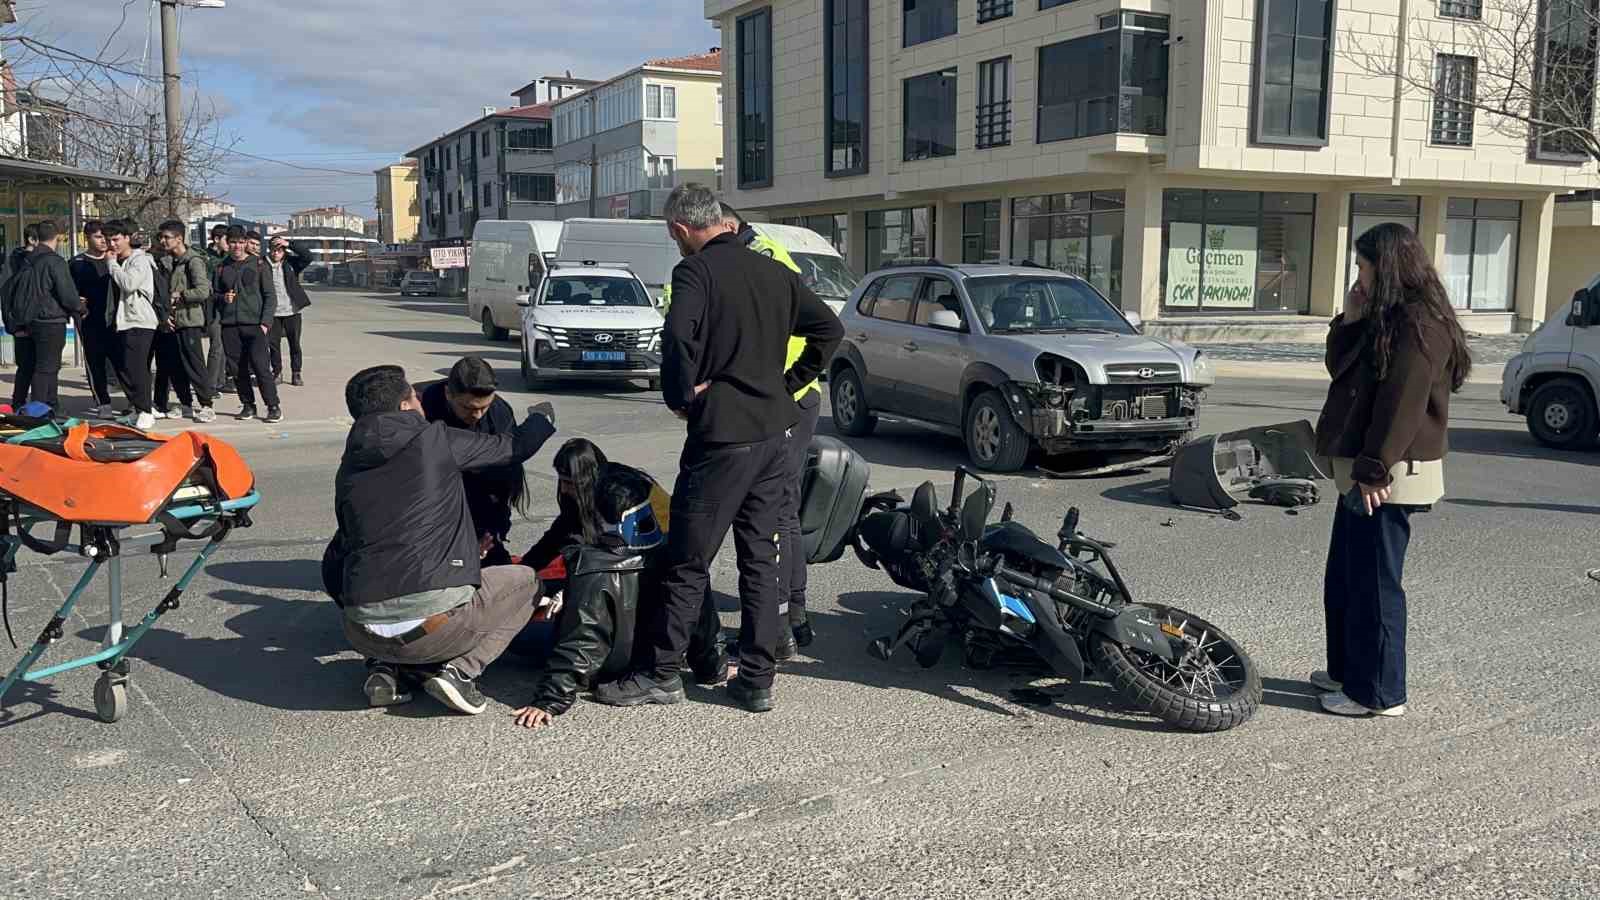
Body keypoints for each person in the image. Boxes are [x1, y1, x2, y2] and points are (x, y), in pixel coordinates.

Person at [594, 183, 842, 714]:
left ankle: (661, 673)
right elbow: (830, 328)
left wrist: (682, 397)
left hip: (723, 437)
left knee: (688, 559)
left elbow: (678, 339)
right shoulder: (775, 270)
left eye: (674, 235)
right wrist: (789, 383)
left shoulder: (694, 272)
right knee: (760, 558)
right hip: (775, 433)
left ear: (681, 229)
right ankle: (757, 679)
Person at [324, 364, 558, 714]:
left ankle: (385, 668)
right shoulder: (434, 441)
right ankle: (461, 672)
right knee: (527, 582)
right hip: (432, 631)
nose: (421, 403)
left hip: (359, 632)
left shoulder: (350, 463)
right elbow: (513, 447)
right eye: (414, 398)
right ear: (405, 406)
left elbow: (345, 549)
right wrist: (542, 417)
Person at [1312, 222, 1472, 719]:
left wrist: (1374, 468)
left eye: (1362, 266)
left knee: (1376, 586)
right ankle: (1348, 671)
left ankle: (1380, 694)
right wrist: (1350, 318)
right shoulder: (1386, 315)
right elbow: (1341, 371)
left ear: (1386, 267)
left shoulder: (1421, 324)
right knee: (1345, 578)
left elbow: (1402, 404)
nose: (1357, 275)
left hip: (1387, 474)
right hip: (1366, 469)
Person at [510, 441, 723, 730]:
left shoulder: (599, 566)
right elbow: (699, 611)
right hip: (650, 643)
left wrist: (550, 699)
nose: (564, 490)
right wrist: (712, 662)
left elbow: (583, 635)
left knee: (522, 638)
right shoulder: (680, 568)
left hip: (616, 655)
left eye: (569, 483)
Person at [720, 203, 823, 654]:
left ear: (727, 226)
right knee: (784, 507)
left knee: (771, 510)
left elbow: (822, 327)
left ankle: (777, 628)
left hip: (782, 398)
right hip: (794, 395)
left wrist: (785, 386)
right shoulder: (767, 251)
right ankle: (793, 614)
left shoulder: (755, 259)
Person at [417, 357, 527, 567]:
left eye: (484, 407)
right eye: (468, 407)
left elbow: (504, 480)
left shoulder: (499, 412)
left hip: (483, 503)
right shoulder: (423, 409)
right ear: (448, 394)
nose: (477, 415)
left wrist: (492, 532)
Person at [3, 220, 84, 414]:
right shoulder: (55, 261)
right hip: (50, 320)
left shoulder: (23, 261)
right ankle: (38, 410)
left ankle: (40, 404)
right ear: (58, 237)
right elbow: (67, 294)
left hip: (27, 321)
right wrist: (79, 307)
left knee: (31, 366)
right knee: (46, 367)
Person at [214, 225, 281, 423]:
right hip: (230, 326)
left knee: (261, 367)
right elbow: (213, 295)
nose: (237, 246)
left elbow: (270, 296)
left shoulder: (259, 264)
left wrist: (265, 323)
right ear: (227, 243)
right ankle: (248, 405)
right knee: (237, 369)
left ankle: (273, 406)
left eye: (240, 242)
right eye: (233, 242)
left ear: (245, 243)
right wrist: (222, 298)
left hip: (254, 325)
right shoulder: (221, 267)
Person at [152, 220, 217, 423]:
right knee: (175, 366)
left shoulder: (193, 260)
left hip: (189, 320)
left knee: (194, 364)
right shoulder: (166, 261)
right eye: (160, 237)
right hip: (171, 321)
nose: (163, 241)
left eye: (166, 237)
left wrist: (180, 295)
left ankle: (206, 405)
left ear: (179, 238)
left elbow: (203, 291)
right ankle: (185, 404)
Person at [103, 219, 160, 430]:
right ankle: (137, 408)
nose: (112, 244)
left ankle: (146, 411)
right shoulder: (120, 261)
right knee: (124, 368)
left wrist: (111, 264)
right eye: (109, 240)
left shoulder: (139, 260)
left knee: (137, 368)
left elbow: (129, 284)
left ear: (127, 238)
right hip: (122, 321)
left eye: (116, 239)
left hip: (139, 320)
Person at [71, 221, 118, 416]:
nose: (103, 241)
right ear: (87, 238)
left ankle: (135, 403)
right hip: (90, 320)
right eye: (98, 237)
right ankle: (103, 403)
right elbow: (68, 292)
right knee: (95, 361)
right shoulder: (77, 263)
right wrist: (78, 303)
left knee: (122, 361)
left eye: (105, 237)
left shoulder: (115, 260)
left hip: (117, 319)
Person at [265, 235, 313, 386]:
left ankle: (296, 373)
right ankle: (277, 372)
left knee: (295, 344)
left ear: (284, 251)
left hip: (292, 311)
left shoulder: (291, 263)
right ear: (269, 250)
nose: (276, 253)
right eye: (273, 250)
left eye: (279, 250)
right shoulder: (263, 265)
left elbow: (308, 256)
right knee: (273, 345)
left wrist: (289, 243)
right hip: (273, 313)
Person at [201, 224, 234, 395]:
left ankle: (221, 381)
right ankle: (211, 384)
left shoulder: (228, 257)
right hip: (212, 307)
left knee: (224, 345)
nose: (230, 244)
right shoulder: (205, 259)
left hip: (227, 306)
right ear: (216, 239)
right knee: (217, 346)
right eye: (227, 240)